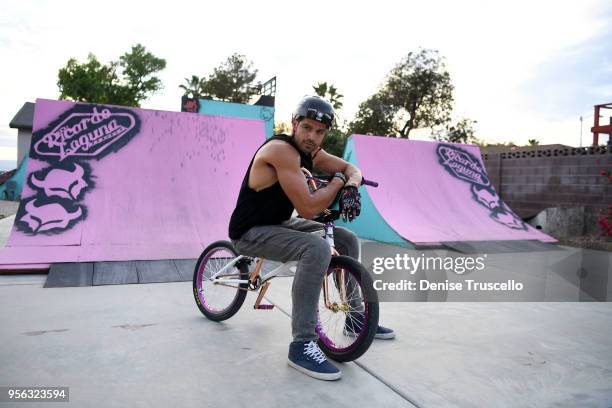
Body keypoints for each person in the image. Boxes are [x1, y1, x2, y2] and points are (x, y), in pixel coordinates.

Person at [228, 95, 395, 381]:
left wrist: (352, 187)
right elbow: (308, 207)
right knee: (317, 249)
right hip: (250, 231)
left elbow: (353, 169)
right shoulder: (282, 151)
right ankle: (302, 344)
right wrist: (339, 183)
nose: (312, 137)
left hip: (279, 224)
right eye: (306, 128)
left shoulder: (313, 153)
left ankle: (355, 318)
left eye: (319, 132)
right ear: (294, 124)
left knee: (346, 239)